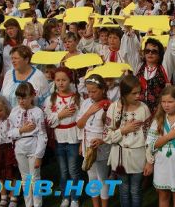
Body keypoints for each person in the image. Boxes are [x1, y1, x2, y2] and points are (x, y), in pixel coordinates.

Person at [104, 75, 153, 207]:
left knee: (135, 190)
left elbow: (150, 137)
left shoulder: (144, 108)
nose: (138, 96)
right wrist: (123, 130)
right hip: (120, 156)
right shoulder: (114, 108)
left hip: (138, 155)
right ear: (124, 94)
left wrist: (149, 160)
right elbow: (106, 136)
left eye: (139, 92)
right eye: (134, 93)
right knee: (124, 190)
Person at [147, 86, 175, 207]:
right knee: (163, 196)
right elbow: (151, 145)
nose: (166, 105)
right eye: (163, 102)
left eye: (170, 102)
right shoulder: (158, 120)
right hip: (161, 165)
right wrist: (169, 136)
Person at [43, 67, 82, 207]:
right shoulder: (50, 99)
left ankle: (75, 197)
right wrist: (60, 115)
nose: (60, 83)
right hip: (59, 139)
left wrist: (81, 141)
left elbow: (81, 120)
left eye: (64, 80)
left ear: (69, 80)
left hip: (73, 138)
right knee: (63, 170)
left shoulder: (77, 98)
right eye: (57, 80)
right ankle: (66, 196)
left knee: (73, 170)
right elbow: (48, 121)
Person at [7, 82, 47, 207]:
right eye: (19, 98)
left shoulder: (37, 112)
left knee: (35, 178)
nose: (21, 101)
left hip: (33, 147)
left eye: (24, 98)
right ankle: (28, 204)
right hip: (20, 148)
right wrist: (21, 130)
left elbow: (42, 134)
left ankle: (37, 204)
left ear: (32, 97)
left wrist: (39, 155)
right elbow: (9, 132)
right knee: (25, 179)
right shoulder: (14, 111)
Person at [77, 74, 112, 207]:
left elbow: (112, 130)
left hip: (102, 147)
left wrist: (102, 141)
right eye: (88, 91)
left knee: (102, 178)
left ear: (103, 89)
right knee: (92, 178)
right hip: (88, 145)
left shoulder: (110, 105)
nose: (91, 94)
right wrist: (88, 112)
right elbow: (80, 125)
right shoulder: (86, 103)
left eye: (94, 91)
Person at [0, 95, 18, 207]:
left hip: (8, 148)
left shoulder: (10, 120)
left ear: (5, 107)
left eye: (0, 111)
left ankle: (13, 195)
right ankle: (3, 196)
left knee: (11, 172)